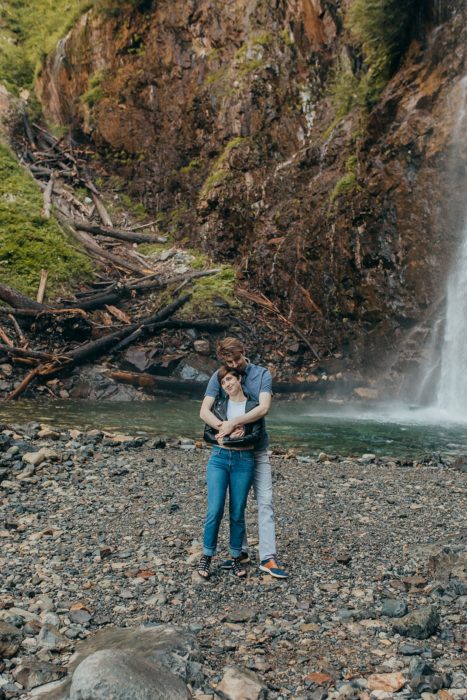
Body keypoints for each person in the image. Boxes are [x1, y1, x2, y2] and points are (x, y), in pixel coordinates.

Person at [200, 338, 288, 579]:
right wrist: (223, 428)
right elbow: (204, 410)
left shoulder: (261, 374)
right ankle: (240, 553)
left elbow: (263, 408)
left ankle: (268, 557)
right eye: (229, 361)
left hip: (256, 450)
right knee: (233, 505)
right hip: (228, 451)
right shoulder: (222, 376)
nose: (234, 365)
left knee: (265, 501)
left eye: (236, 359)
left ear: (244, 351)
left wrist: (234, 423)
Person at [198, 366, 262, 579]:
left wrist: (236, 434)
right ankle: (207, 556)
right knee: (214, 509)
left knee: (237, 512)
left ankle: (236, 558)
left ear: (239, 379)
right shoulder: (218, 405)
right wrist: (224, 433)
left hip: (244, 461)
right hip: (219, 459)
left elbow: (257, 436)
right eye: (223, 382)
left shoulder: (253, 405)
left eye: (229, 379)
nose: (227, 384)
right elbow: (208, 434)